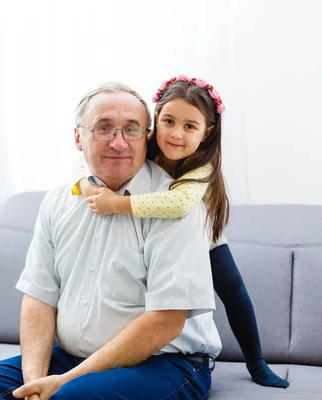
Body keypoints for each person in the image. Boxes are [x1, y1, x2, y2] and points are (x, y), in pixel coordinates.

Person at [0, 82, 221, 400]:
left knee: (72, 397)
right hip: (73, 360)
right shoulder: (59, 200)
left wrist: (63, 382)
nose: (119, 143)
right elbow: (39, 297)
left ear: (146, 136)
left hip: (166, 363)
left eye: (132, 130)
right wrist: (35, 382)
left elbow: (165, 321)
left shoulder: (174, 207)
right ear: (78, 138)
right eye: (104, 128)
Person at [76, 75, 289, 389]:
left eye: (190, 126)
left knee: (232, 288)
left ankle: (257, 363)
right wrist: (86, 186)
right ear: (155, 121)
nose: (176, 134)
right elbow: (86, 163)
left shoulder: (202, 167)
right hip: (158, 230)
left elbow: (178, 204)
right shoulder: (138, 146)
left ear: (207, 133)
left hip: (199, 228)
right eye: (169, 121)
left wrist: (114, 204)